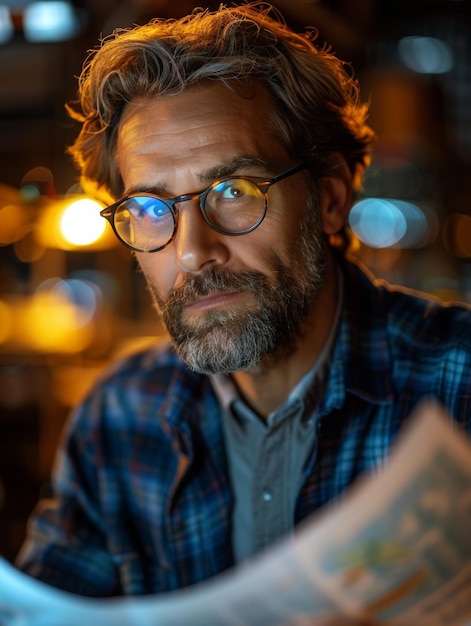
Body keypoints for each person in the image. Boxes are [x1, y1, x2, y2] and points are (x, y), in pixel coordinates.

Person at [15, 1, 471, 621]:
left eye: (235, 192)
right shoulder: (118, 418)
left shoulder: (459, 382)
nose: (193, 250)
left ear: (329, 199)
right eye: (151, 209)